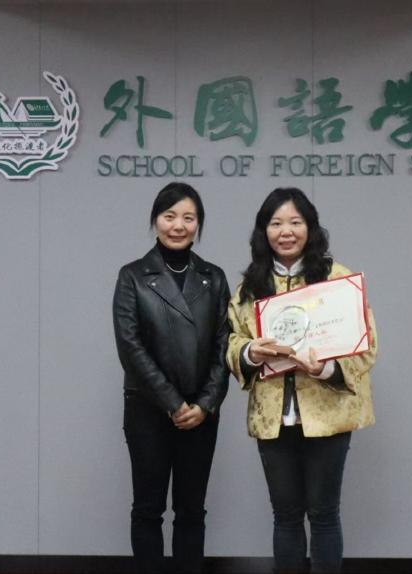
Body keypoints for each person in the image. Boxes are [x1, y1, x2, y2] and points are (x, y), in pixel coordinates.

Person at [226, 187, 377, 574]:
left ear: (311, 228)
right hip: (273, 419)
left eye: (295, 222)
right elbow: (232, 342)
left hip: (328, 417)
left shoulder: (337, 280)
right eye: (276, 223)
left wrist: (324, 368)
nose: (286, 231)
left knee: (324, 515)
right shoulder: (249, 288)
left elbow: (367, 347)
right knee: (285, 516)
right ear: (264, 231)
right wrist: (249, 352)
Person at [112, 182, 231, 574]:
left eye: (188, 218)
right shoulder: (132, 276)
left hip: (201, 414)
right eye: (169, 216)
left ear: (198, 225)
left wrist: (205, 404)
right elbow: (130, 347)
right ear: (155, 221)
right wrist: (173, 403)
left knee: (192, 510)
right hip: (148, 411)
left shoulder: (214, 278)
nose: (178, 225)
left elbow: (224, 346)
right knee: (148, 509)